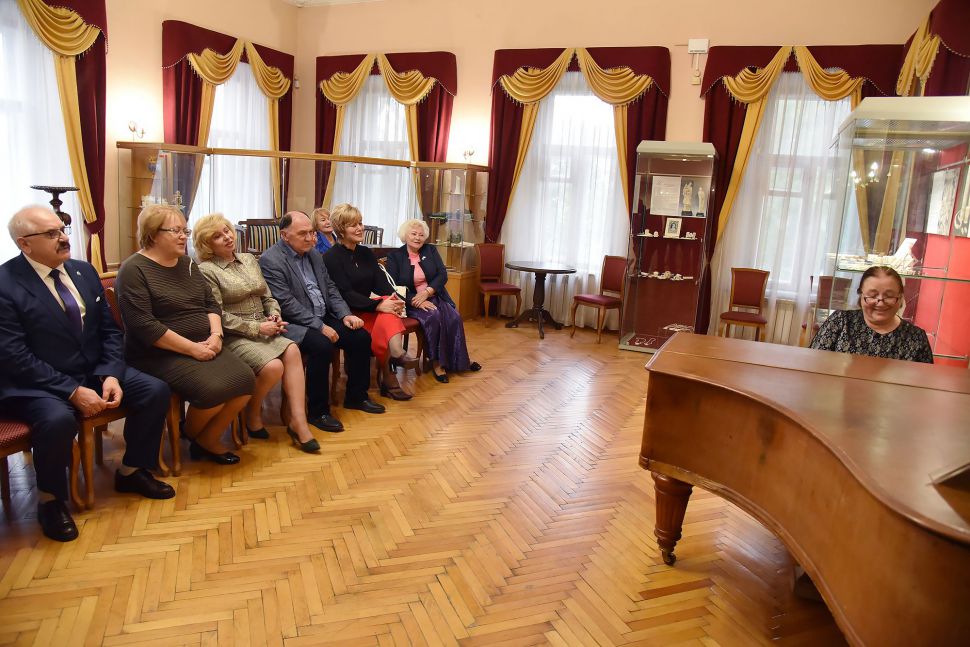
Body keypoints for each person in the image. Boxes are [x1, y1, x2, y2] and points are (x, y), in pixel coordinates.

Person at [0, 206, 175, 542]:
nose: (63, 238)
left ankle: (132, 470)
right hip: (37, 383)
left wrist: (110, 374)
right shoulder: (6, 284)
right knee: (56, 421)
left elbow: (109, 331)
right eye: (51, 233)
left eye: (62, 229)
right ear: (25, 244)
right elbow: (13, 356)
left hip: (93, 369)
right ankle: (51, 500)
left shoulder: (83, 271)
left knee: (154, 390)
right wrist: (71, 391)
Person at [116, 205, 255, 465]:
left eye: (185, 230)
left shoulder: (187, 263)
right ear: (153, 234)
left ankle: (206, 439)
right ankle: (190, 434)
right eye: (176, 231)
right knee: (213, 390)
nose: (183, 236)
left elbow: (210, 304)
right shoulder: (133, 270)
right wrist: (193, 349)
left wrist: (216, 336)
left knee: (246, 380)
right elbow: (144, 326)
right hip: (158, 353)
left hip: (205, 343)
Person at [193, 214, 319, 453]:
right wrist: (256, 328)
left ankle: (298, 422)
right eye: (217, 236)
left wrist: (274, 315)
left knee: (293, 349)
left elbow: (267, 296)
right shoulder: (206, 270)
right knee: (273, 367)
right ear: (207, 244)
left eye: (226, 231)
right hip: (234, 334)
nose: (227, 237)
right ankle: (252, 412)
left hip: (264, 325)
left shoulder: (249, 259)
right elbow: (217, 313)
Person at [259, 211, 385, 432]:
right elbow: (286, 304)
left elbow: (331, 289)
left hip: (323, 315)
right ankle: (318, 412)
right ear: (285, 235)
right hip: (294, 323)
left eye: (312, 232)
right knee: (321, 345)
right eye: (303, 234)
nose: (310, 238)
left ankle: (356, 396)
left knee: (360, 337)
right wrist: (320, 326)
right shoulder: (271, 260)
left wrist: (345, 314)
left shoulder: (314, 254)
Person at [323, 204, 419, 400]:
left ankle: (395, 359)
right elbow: (345, 294)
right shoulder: (331, 257)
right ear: (341, 229)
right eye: (353, 225)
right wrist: (378, 305)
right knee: (385, 312)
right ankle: (392, 372)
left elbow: (381, 284)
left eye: (360, 223)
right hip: (347, 314)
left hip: (368, 308)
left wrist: (394, 299)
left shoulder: (365, 253)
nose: (360, 228)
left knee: (388, 310)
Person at [385, 219, 481, 383]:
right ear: (405, 235)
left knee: (454, 317)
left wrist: (427, 292)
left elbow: (442, 274)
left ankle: (460, 360)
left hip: (434, 295)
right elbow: (392, 285)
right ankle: (437, 362)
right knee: (434, 316)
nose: (417, 238)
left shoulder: (430, 250)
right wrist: (416, 300)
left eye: (421, 235)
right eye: (413, 234)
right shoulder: (395, 256)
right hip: (410, 301)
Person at [810, 265, 934, 363]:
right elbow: (814, 364)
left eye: (889, 296)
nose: (880, 302)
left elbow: (923, 383)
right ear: (861, 295)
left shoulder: (916, 337)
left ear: (901, 297)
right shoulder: (840, 321)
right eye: (872, 295)